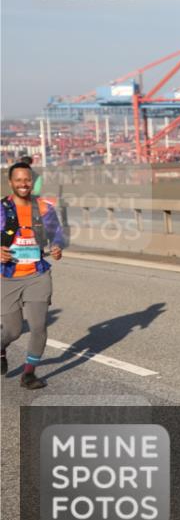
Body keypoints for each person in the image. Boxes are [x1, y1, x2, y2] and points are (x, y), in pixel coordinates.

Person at [1, 162, 67, 389]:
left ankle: (29, 373)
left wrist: (58, 247)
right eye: (18, 180)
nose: (23, 184)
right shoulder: (1, 209)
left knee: (38, 326)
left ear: (32, 181)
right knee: (13, 330)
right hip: (7, 277)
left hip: (37, 274)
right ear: (10, 182)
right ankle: (1, 347)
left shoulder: (44, 207)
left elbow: (57, 235)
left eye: (27, 180)